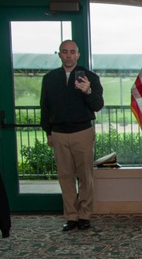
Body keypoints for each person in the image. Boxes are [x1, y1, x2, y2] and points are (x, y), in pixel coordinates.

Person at [40, 39, 104, 232]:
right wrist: (48, 132)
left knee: (85, 176)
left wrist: (88, 91)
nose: (68, 55)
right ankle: (72, 217)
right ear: (59, 54)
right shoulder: (50, 78)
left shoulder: (90, 77)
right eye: (64, 51)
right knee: (65, 177)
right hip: (58, 133)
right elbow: (45, 107)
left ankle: (85, 215)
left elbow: (98, 105)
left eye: (72, 52)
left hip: (82, 132)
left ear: (78, 55)